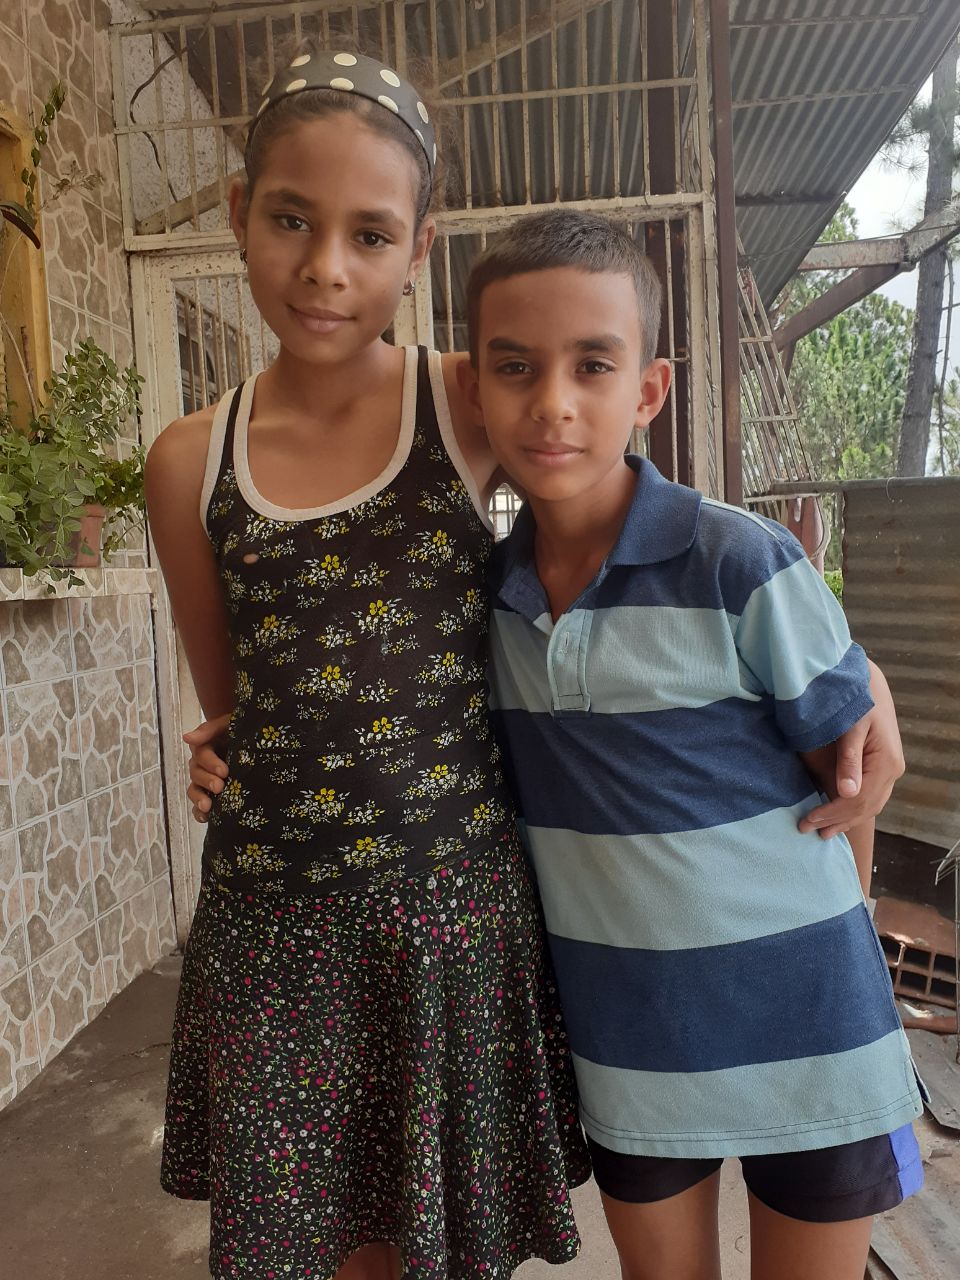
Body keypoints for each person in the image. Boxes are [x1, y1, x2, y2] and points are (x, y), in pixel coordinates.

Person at [145, 50, 591, 1280]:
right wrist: (228, 753)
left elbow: (635, 519)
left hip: (446, 915)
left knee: (440, 1246)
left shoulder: (466, 405)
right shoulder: (191, 460)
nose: (326, 268)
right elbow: (230, 702)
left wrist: (836, 664)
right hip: (274, 925)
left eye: (371, 234)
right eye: (292, 219)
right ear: (240, 213)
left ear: (420, 249)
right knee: (312, 1249)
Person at [455, 207, 923, 1280]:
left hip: (812, 1025)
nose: (553, 401)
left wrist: (850, 965)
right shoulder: (481, 602)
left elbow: (850, 781)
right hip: (632, 1041)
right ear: (472, 389)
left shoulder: (740, 561)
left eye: (593, 364)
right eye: (515, 367)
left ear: (649, 390)